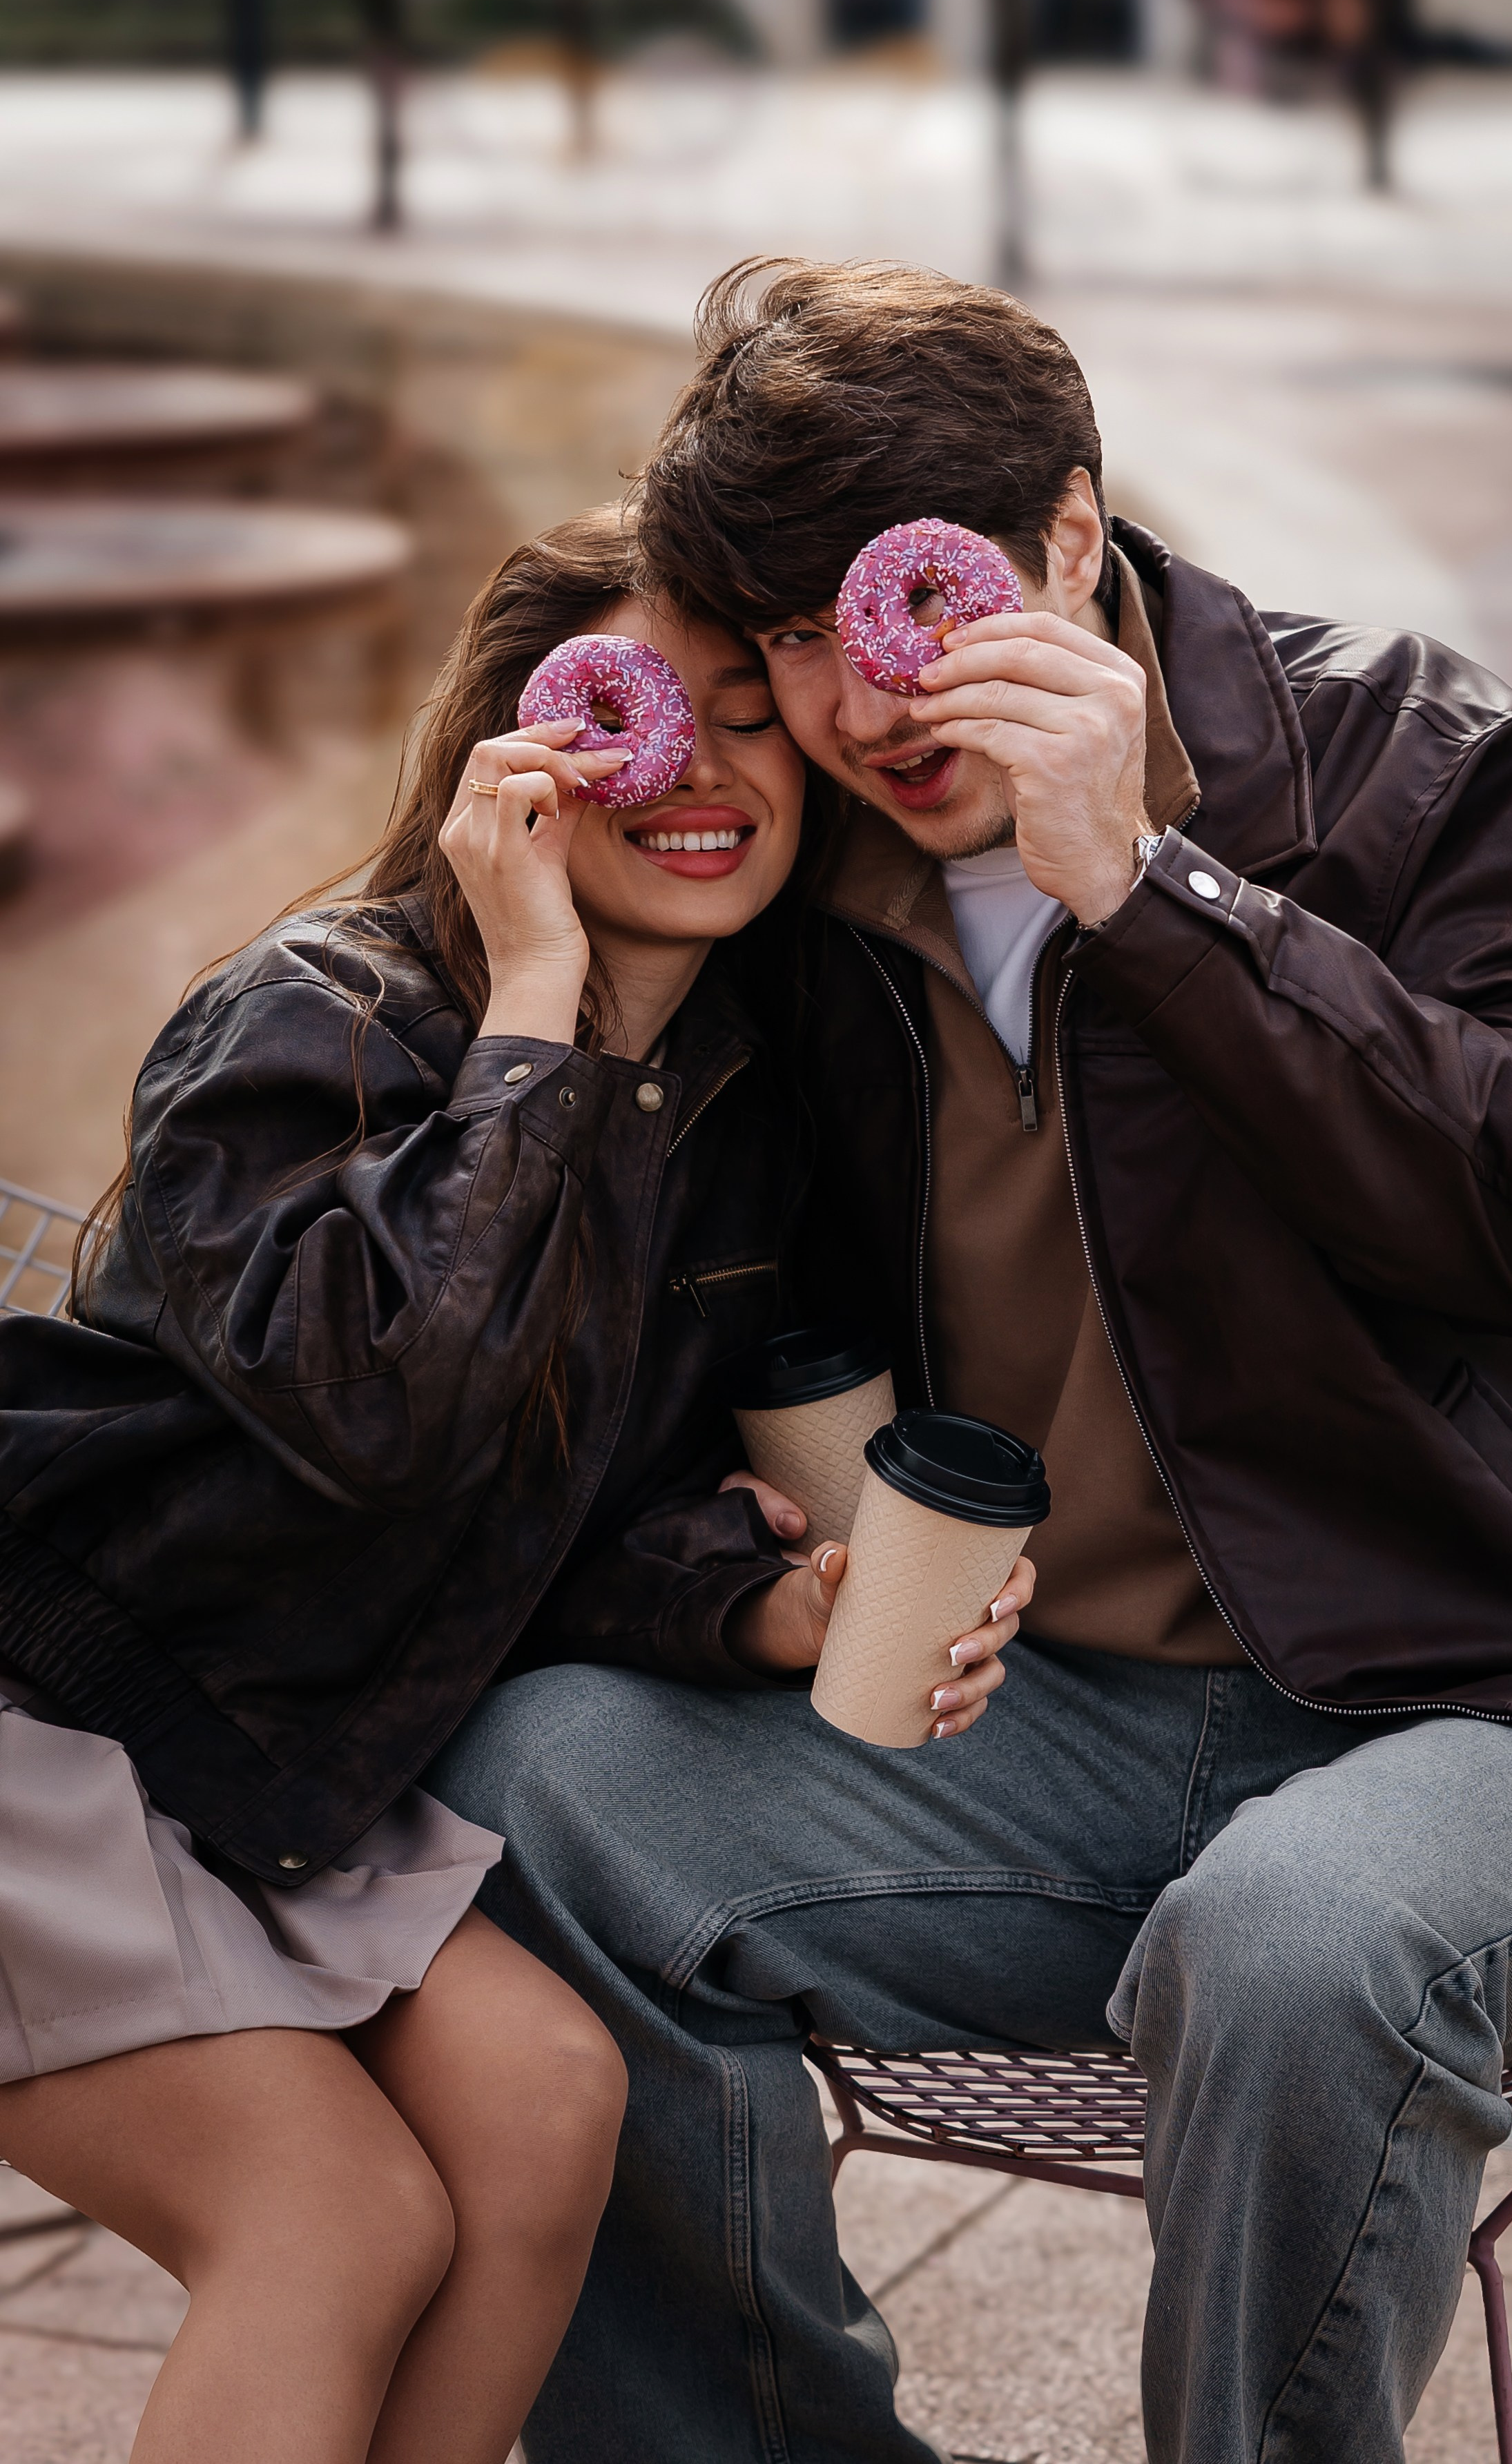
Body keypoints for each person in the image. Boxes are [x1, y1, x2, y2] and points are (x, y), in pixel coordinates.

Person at [432, 267, 1512, 2464]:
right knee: (527, 1794)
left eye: (903, 609)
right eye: (787, 640)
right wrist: (736, 1580)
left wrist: (1160, 899)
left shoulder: (1409, 758)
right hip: (1062, 1729)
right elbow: (655, 1337)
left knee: (1300, 1940)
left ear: (1075, 536)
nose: (858, 703)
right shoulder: (801, 895)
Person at [0, 508, 952, 2464]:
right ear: (504, 762)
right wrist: (534, 1012)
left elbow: (555, 1512)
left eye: (743, 718)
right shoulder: (313, 1024)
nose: (696, 773)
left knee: (538, 2109)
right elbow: (388, 1417)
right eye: (629, 718)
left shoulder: (738, 1114)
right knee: (336, 2223)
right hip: (56, 1699)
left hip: (271, 1754)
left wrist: (750, 1601)